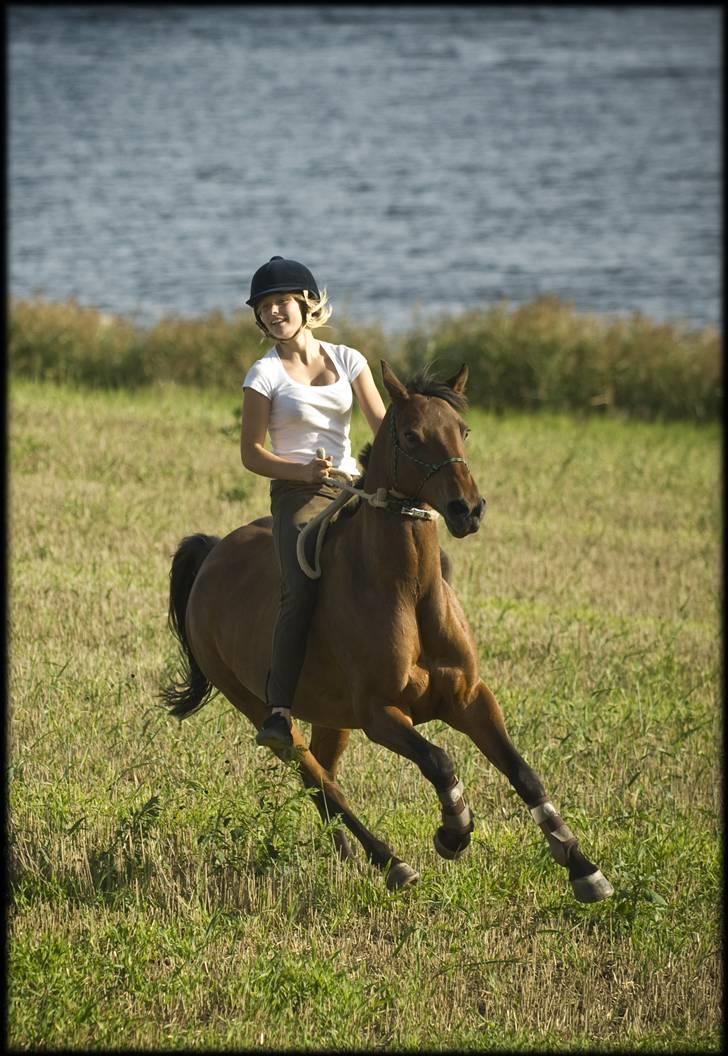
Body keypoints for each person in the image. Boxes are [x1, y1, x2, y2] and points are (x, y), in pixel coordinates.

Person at [240, 256, 387, 752]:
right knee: (300, 585)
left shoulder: (349, 360)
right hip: (299, 494)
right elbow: (251, 454)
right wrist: (300, 470)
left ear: (306, 305)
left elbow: (383, 430)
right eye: (265, 307)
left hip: (352, 487)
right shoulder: (264, 374)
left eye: (281, 302)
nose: (274, 312)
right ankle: (279, 710)